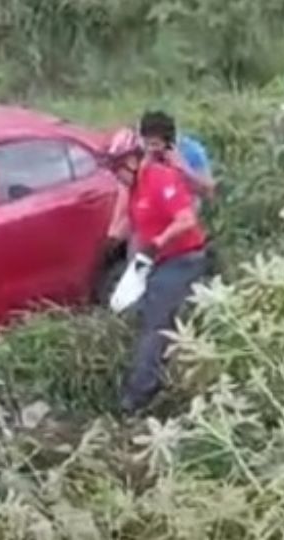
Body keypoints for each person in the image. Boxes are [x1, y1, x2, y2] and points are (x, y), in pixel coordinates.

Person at [105, 111, 215, 414]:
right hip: (156, 258)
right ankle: (164, 361)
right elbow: (128, 222)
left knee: (155, 323)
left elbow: (186, 219)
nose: (116, 175)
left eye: (118, 168)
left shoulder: (160, 178)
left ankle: (139, 395)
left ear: (133, 160)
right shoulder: (134, 187)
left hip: (181, 258)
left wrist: (157, 244)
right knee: (137, 308)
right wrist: (109, 245)